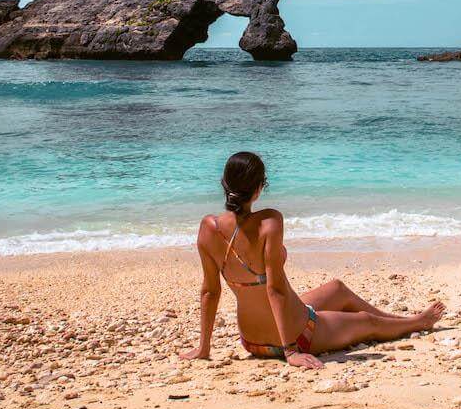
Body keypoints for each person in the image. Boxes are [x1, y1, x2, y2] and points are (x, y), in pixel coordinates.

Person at [178, 151, 445, 369]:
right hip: (297, 334)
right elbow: (275, 289)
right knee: (366, 322)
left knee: (338, 288)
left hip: (251, 340)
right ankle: (416, 322)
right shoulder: (269, 222)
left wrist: (204, 348)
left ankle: (397, 319)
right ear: (259, 189)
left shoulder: (208, 228)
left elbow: (210, 292)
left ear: (225, 185)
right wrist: (291, 351)